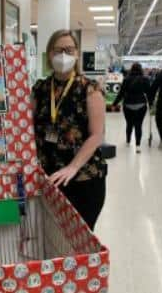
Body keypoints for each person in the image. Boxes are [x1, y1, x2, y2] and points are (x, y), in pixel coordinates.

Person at [32, 29, 107, 231]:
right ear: (49, 54)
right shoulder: (40, 89)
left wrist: (73, 167)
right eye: (58, 50)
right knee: (54, 237)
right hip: (50, 178)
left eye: (69, 49)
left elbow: (97, 134)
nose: (63, 55)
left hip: (84, 178)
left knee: (79, 240)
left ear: (76, 54)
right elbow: (29, 126)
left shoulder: (89, 89)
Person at [112, 62, 150, 153]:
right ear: (140, 69)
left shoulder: (126, 79)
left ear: (131, 69)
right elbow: (149, 93)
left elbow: (121, 94)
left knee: (129, 124)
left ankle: (128, 141)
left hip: (128, 104)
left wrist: (114, 104)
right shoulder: (145, 79)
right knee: (138, 125)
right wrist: (151, 104)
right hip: (141, 104)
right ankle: (137, 146)